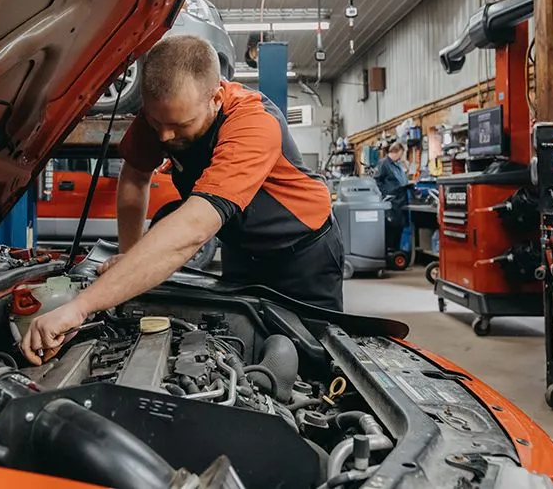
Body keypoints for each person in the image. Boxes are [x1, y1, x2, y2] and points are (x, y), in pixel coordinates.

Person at [21, 35, 343, 364]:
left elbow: (194, 226)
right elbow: (134, 176)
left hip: (303, 255)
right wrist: (128, 254)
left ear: (216, 97)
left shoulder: (254, 124)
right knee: (243, 345)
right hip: (242, 251)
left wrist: (80, 307)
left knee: (314, 358)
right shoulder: (163, 116)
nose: (164, 136)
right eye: (156, 122)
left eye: (180, 124)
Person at [374, 141, 408, 254]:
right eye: (401, 154)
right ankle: (390, 252)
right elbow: (376, 180)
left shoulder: (397, 164)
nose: (401, 156)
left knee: (399, 226)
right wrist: (385, 194)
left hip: (400, 200)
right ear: (396, 152)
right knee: (391, 227)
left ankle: (396, 251)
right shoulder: (384, 164)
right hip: (391, 201)